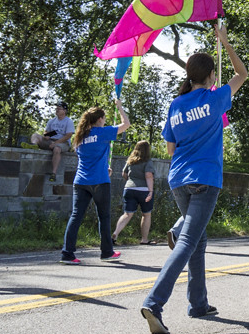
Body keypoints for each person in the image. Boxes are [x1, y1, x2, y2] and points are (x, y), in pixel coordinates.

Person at [139, 22, 247, 334]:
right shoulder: (216, 99)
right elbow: (242, 74)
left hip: (178, 180)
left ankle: (198, 303)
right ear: (212, 76)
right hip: (205, 178)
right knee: (188, 241)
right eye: (214, 74)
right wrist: (225, 42)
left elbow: (170, 148)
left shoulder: (175, 104)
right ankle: (154, 302)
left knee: (197, 241)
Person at [60, 98, 130, 265]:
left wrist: (104, 166)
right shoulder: (102, 132)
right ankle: (106, 252)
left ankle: (67, 253)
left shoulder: (80, 137)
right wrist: (119, 107)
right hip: (99, 181)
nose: (105, 121)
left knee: (76, 216)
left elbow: (88, 158)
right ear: (99, 119)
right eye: (104, 118)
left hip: (81, 181)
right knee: (104, 217)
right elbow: (125, 124)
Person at [112, 140, 156, 245]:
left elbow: (124, 174)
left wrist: (131, 181)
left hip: (129, 189)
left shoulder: (130, 161)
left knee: (127, 214)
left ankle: (115, 234)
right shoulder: (148, 161)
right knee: (146, 214)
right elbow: (148, 175)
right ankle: (144, 239)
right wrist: (150, 191)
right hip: (144, 190)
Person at [31, 102, 74, 180]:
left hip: (63, 143)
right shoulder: (52, 121)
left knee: (57, 149)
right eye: (56, 108)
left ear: (64, 111)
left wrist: (55, 143)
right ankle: (33, 146)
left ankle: (53, 173)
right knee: (35, 135)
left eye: (59, 109)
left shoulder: (68, 121)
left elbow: (68, 135)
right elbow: (46, 132)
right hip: (50, 141)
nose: (57, 110)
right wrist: (47, 135)